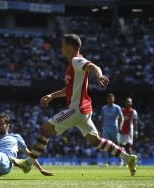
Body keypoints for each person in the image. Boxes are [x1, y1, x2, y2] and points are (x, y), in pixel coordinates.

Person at [11, 34, 138, 176]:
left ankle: (27, 163)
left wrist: (99, 75)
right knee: (95, 141)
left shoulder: (76, 61)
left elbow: (93, 66)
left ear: (70, 47)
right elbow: (68, 90)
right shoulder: (73, 65)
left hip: (77, 109)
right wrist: (52, 95)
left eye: (63, 45)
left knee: (45, 130)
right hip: (84, 110)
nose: (61, 48)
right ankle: (128, 158)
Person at [99, 93, 124, 166]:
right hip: (105, 128)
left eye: (111, 98)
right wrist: (100, 129)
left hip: (114, 128)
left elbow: (122, 118)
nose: (110, 99)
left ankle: (120, 161)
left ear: (114, 99)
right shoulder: (103, 108)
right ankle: (106, 162)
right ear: (107, 99)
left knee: (117, 145)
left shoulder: (117, 107)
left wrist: (120, 126)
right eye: (109, 98)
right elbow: (102, 118)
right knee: (104, 144)